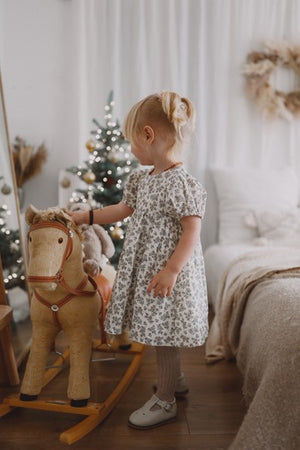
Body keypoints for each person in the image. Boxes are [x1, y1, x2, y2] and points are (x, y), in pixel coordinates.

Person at [69, 91, 208, 429]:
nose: (130, 149)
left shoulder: (182, 184)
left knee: (164, 335)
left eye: (132, 142)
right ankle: (173, 380)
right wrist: (85, 216)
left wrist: (172, 270)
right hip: (147, 269)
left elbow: (192, 231)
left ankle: (165, 400)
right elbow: (121, 210)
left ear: (149, 135)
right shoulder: (141, 180)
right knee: (161, 331)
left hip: (167, 273)